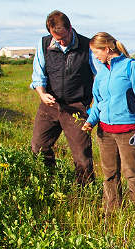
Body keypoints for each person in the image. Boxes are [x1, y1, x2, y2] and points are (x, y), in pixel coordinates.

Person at [81, 32, 135, 218]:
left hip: (128, 130)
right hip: (105, 132)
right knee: (110, 174)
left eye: (97, 52)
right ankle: (111, 211)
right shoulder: (101, 72)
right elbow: (98, 102)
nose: (95, 56)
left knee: (132, 174)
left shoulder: (131, 67)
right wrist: (90, 121)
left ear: (107, 49)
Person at [30, 10, 96, 185]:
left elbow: (99, 77)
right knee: (38, 147)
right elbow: (38, 75)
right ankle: (48, 183)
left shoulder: (87, 45)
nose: (60, 42)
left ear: (70, 28)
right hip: (50, 104)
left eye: (63, 38)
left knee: (82, 155)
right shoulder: (44, 44)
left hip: (77, 106)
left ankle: (85, 193)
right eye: (56, 38)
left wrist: (93, 105)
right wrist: (42, 93)